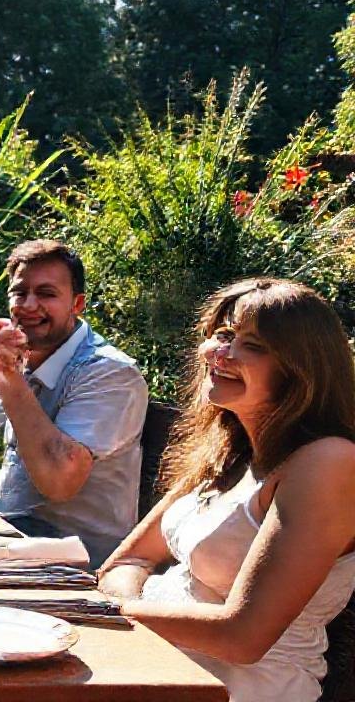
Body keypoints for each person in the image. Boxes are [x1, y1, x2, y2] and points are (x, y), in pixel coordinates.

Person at [98, 278, 355, 702]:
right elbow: (129, 558)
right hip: (154, 669)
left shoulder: (328, 462)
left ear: (301, 369)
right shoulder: (225, 452)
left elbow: (243, 636)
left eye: (252, 345)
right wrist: (120, 611)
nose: (220, 353)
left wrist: (108, 611)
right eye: (222, 335)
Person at [0, 239, 148, 565]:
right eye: (20, 293)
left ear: (77, 304)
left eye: (46, 294)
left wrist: (8, 378)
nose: (29, 305)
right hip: (7, 536)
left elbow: (59, 482)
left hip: (74, 561)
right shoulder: (18, 353)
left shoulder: (110, 374)